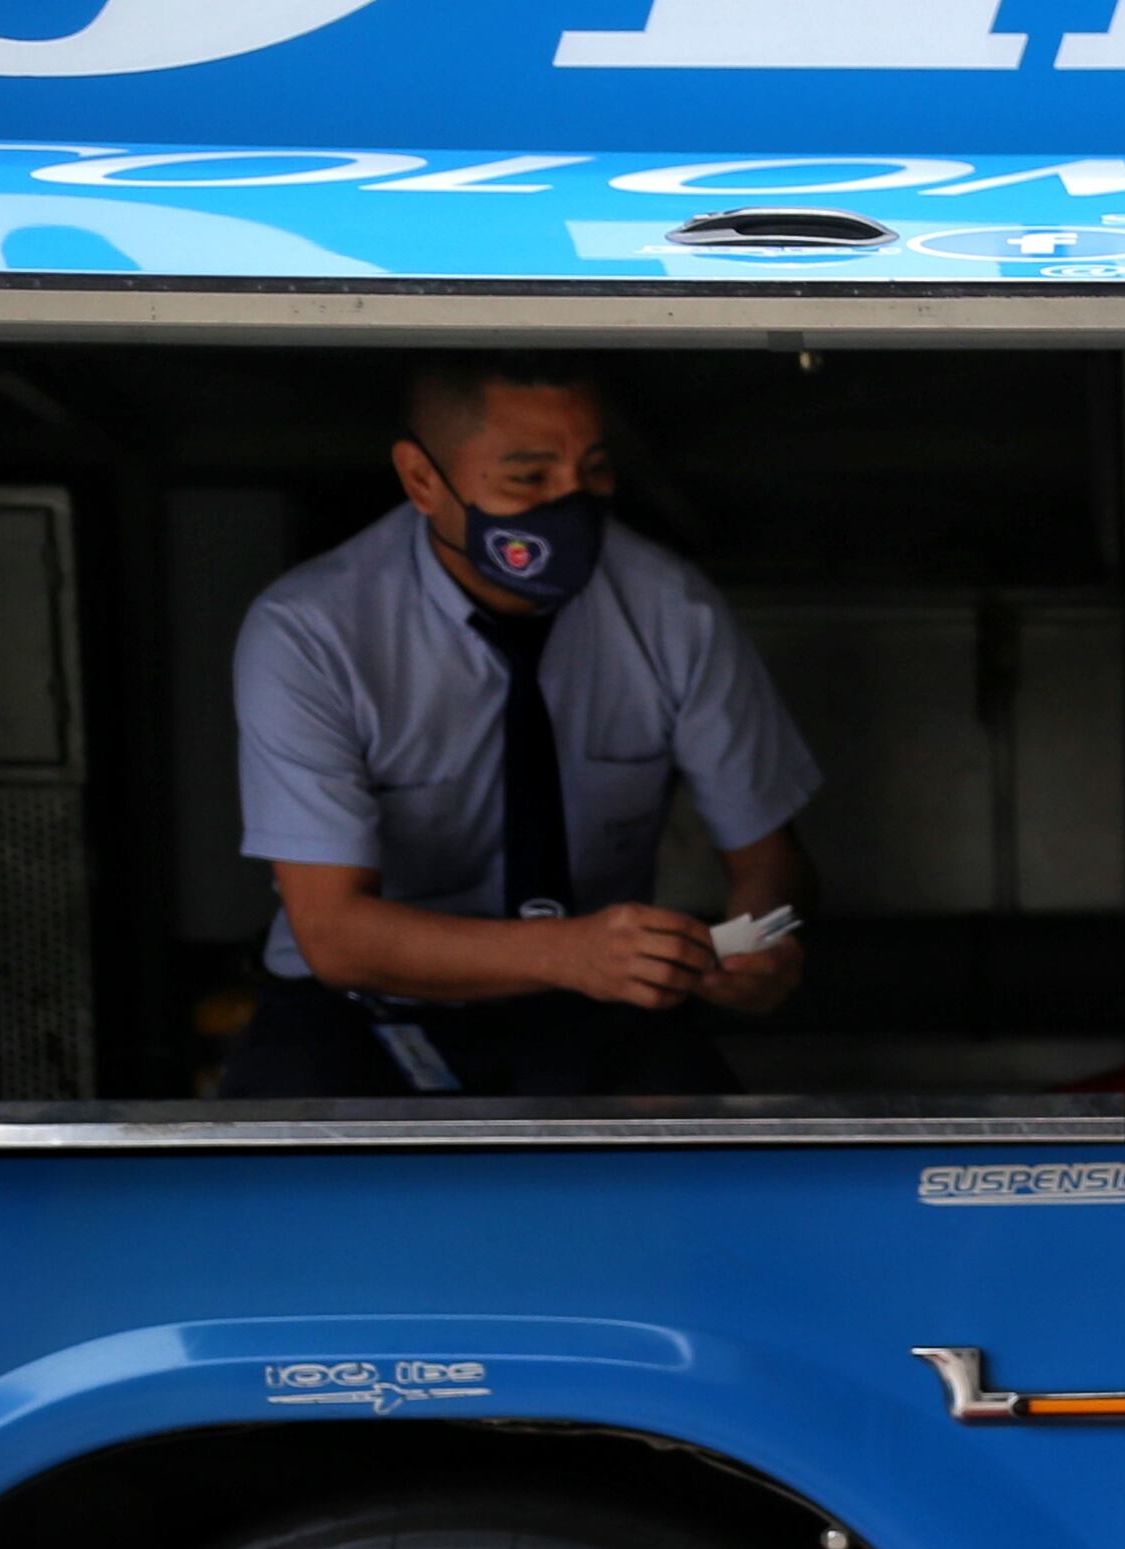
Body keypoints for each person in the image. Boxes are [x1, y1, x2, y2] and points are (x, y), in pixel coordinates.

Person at [225, 358, 815, 1097]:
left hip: (600, 998)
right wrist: (564, 951)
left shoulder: (672, 610)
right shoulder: (313, 631)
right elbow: (335, 935)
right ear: (422, 480)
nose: (568, 503)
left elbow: (770, 854)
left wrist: (761, 943)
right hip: (356, 1006)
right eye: (528, 479)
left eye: (594, 470)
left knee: (710, 1182)